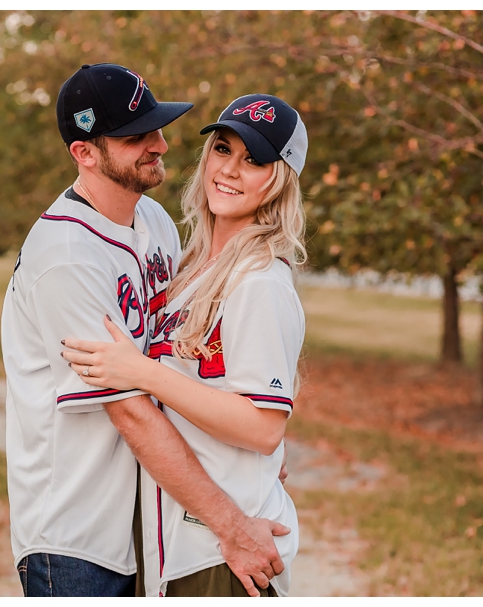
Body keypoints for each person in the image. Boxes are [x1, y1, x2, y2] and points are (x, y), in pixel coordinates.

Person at [2, 64, 289, 598]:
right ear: (84, 153)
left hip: (148, 523)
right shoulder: (66, 257)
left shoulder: (154, 221)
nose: (159, 144)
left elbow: (182, 356)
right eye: (136, 137)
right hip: (76, 537)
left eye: (157, 126)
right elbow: (130, 407)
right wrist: (232, 526)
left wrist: (251, 446)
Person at [62, 93, 308, 596]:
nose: (231, 170)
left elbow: (263, 429)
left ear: (279, 179)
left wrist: (143, 373)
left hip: (226, 551)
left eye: (255, 159)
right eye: (223, 149)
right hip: (176, 547)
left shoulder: (260, 280)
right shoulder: (190, 272)